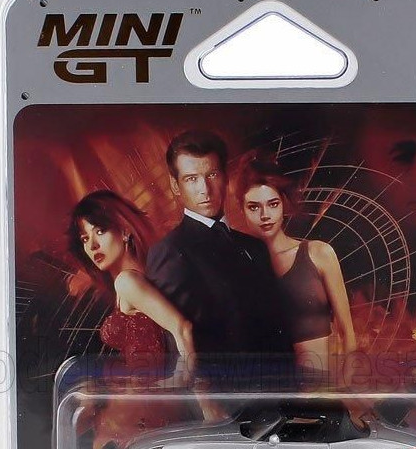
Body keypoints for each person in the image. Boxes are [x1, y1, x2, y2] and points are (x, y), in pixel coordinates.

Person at [146, 131, 292, 369]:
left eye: (212, 174)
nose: (204, 189)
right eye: (191, 179)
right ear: (175, 185)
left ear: (225, 177)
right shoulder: (169, 251)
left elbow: (279, 333)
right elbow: (182, 345)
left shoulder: (255, 247)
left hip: (277, 386)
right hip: (222, 390)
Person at [236, 154, 357, 384]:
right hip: (267, 388)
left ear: (283, 204)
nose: (265, 215)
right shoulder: (239, 267)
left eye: (273, 204)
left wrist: (345, 386)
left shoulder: (318, 254)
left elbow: (347, 333)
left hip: (321, 387)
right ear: (242, 210)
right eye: (253, 207)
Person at [69, 190, 195, 373]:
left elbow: (182, 328)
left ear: (124, 230)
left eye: (100, 231)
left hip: (154, 385)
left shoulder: (126, 281)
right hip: (144, 384)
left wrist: (182, 379)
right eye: (85, 238)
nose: (92, 245)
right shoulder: (136, 277)